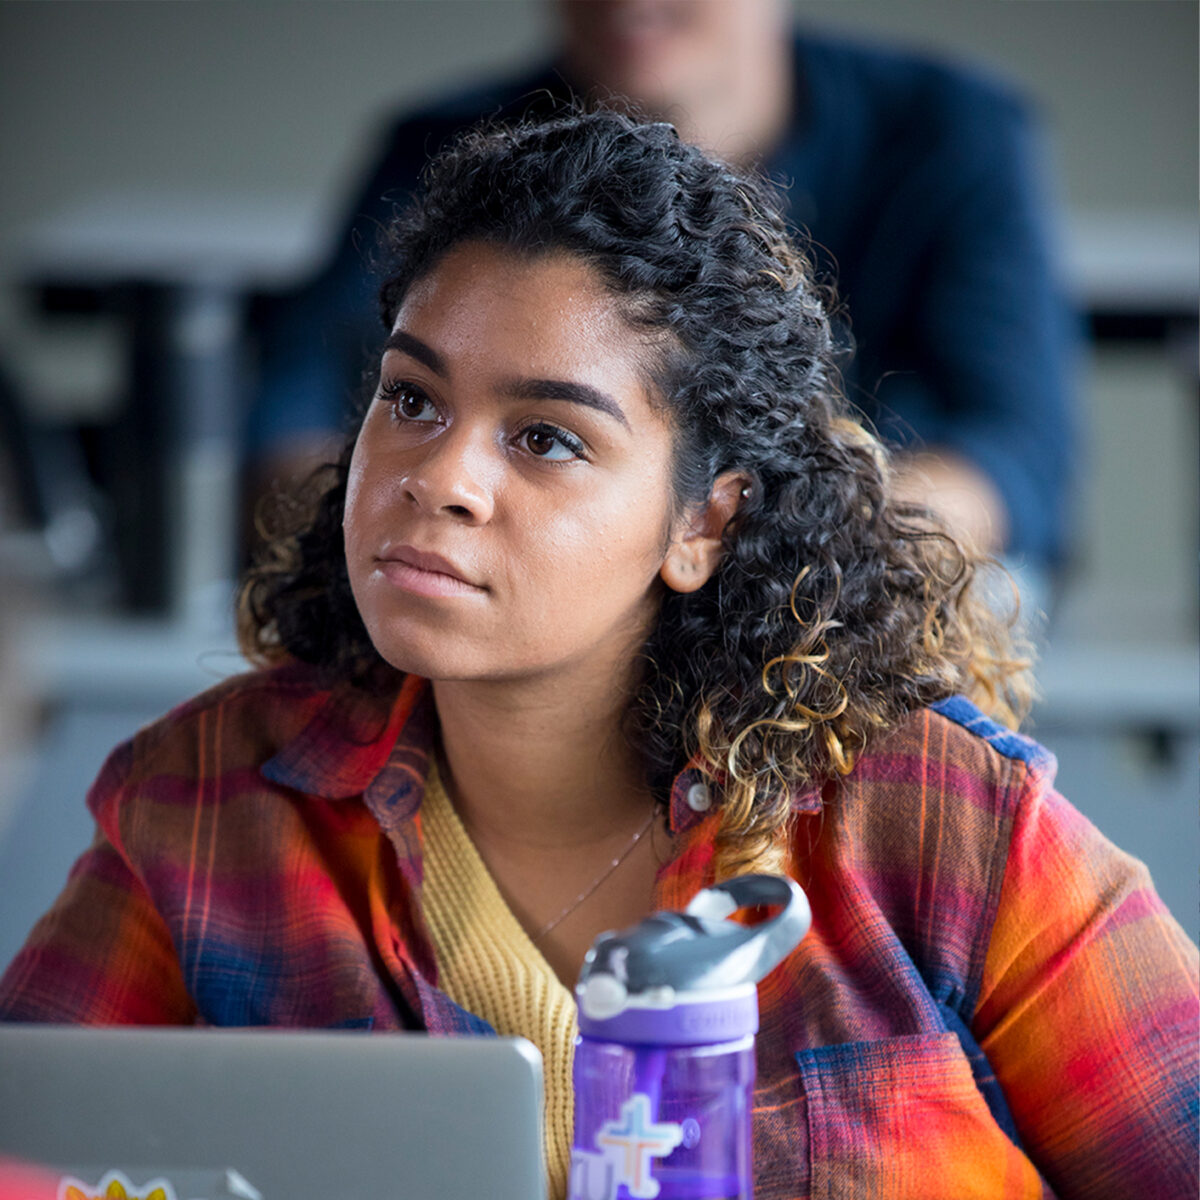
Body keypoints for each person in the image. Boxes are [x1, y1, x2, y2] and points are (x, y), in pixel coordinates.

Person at [3, 112, 1193, 1200]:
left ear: (702, 523)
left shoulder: (947, 825)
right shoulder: (201, 810)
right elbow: (26, 1154)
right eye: (411, 399)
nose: (440, 477)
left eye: (545, 437)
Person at [249, 0, 1078, 586]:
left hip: (840, 599)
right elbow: (295, 412)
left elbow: (1012, 452)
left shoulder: (952, 133)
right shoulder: (438, 148)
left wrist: (768, 559)